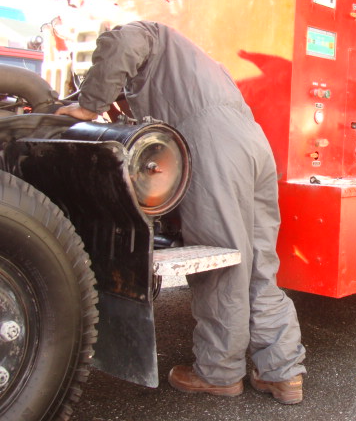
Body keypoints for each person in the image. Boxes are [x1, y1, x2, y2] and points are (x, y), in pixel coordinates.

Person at [56, 20, 306, 404]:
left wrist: (89, 105)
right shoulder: (194, 59)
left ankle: (219, 373)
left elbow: (123, 44)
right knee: (260, 264)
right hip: (254, 145)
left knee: (224, 262)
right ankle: (283, 372)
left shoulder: (142, 31)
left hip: (213, 146)